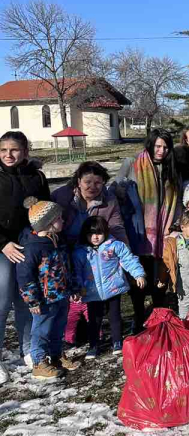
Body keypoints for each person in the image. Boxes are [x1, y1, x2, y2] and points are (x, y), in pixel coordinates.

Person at [54, 161, 129, 349]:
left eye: (98, 183)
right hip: (66, 252)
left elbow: (117, 228)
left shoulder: (109, 201)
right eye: (88, 182)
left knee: (91, 297)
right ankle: (64, 337)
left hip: (94, 255)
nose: (92, 187)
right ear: (78, 181)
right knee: (66, 300)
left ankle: (93, 333)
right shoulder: (62, 196)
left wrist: (123, 256)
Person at [117, 129, 181, 332]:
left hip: (163, 232)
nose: (161, 151)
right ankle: (138, 316)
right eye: (158, 146)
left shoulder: (171, 168)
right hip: (139, 232)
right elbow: (117, 190)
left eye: (165, 147)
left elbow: (176, 199)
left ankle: (159, 316)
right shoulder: (133, 164)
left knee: (159, 280)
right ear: (150, 144)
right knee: (139, 279)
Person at [16, 197, 81, 380]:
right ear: (48, 223)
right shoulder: (32, 248)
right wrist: (33, 300)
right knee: (41, 331)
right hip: (44, 300)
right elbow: (24, 276)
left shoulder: (58, 241)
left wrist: (73, 288)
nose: (63, 221)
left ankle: (56, 356)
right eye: (59, 218)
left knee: (58, 327)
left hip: (61, 295)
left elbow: (68, 266)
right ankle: (39, 363)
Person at [0, 131, 45, 380]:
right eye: (3, 150)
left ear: (25, 151)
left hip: (29, 246)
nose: (8, 154)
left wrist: (44, 236)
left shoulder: (35, 177)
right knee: (2, 299)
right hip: (3, 248)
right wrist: (3, 243)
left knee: (26, 299)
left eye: (14, 149)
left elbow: (44, 209)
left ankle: (28, 348)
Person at [73, 216, 145, 357]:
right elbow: (77, 272)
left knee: (115, 316)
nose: (95, 237)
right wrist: (78, 286)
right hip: (92, 291)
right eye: (91, 234)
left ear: (105, 232)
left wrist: (138, 274)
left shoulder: (115, 246)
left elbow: (128, 259)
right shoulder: (81, 252)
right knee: (94, 319)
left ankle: (117, 341)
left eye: (99, 233)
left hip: (113, 288)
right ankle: (94, 344)